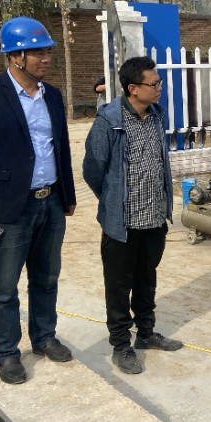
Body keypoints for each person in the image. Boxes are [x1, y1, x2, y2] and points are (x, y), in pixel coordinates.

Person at [0, 16, 77, 385]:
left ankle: (43, 337)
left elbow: (60, 149)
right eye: (37, 52)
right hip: (8, 210)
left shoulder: (52, 96)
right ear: (15, 56)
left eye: (47, 51)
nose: (46, 58)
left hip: (50, 203)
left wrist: (67, 195)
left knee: (46, 277)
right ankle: (7, 352)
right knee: (3, 285)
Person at [83, 56, 182, 375]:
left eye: (159, 82)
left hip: (153, 219)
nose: (159, 88)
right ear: (133, 88)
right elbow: (92, 169)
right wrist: (112, 200)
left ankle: (146, 333)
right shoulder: (109, 122)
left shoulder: (155, 116)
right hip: (122, 225)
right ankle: (121, 346)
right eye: (154, 84)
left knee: (146, 279)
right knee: (118, 287)